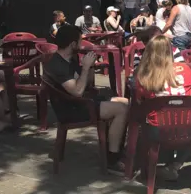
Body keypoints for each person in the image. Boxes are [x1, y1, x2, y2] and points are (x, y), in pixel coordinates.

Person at [43, 25, 129, 175]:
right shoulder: (57, 65)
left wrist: (89, 67)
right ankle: (112, 159)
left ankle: (114, 147)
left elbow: (87, 83)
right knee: (121, 110)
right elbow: (77, 91)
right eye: (79, 41)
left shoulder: (69, 59)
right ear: (72, 44)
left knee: (125, 102)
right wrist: (84, 68)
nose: (82, 44)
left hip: (80, 102)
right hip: (73, 109)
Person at [134, 35, 191, 180]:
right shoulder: (186, 69)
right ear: (171, 51)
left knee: (142, 118)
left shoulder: (143, 75)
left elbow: (140, 102)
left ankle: (142, 163)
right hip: (187, 129)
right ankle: (175, 165)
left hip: (158, 131)